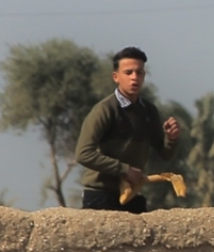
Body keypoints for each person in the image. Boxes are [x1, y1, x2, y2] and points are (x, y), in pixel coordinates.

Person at [75, 46, 180, 213]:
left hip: (132, 193)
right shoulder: (105, 109)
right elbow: (83, 154)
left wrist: (172, 139)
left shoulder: (148, 111)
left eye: (139, 73)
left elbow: (165, 154)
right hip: (101, 194)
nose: (134, 78)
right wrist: (125, 170)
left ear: (144, 76)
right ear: (116, 77)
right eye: (128, 72)